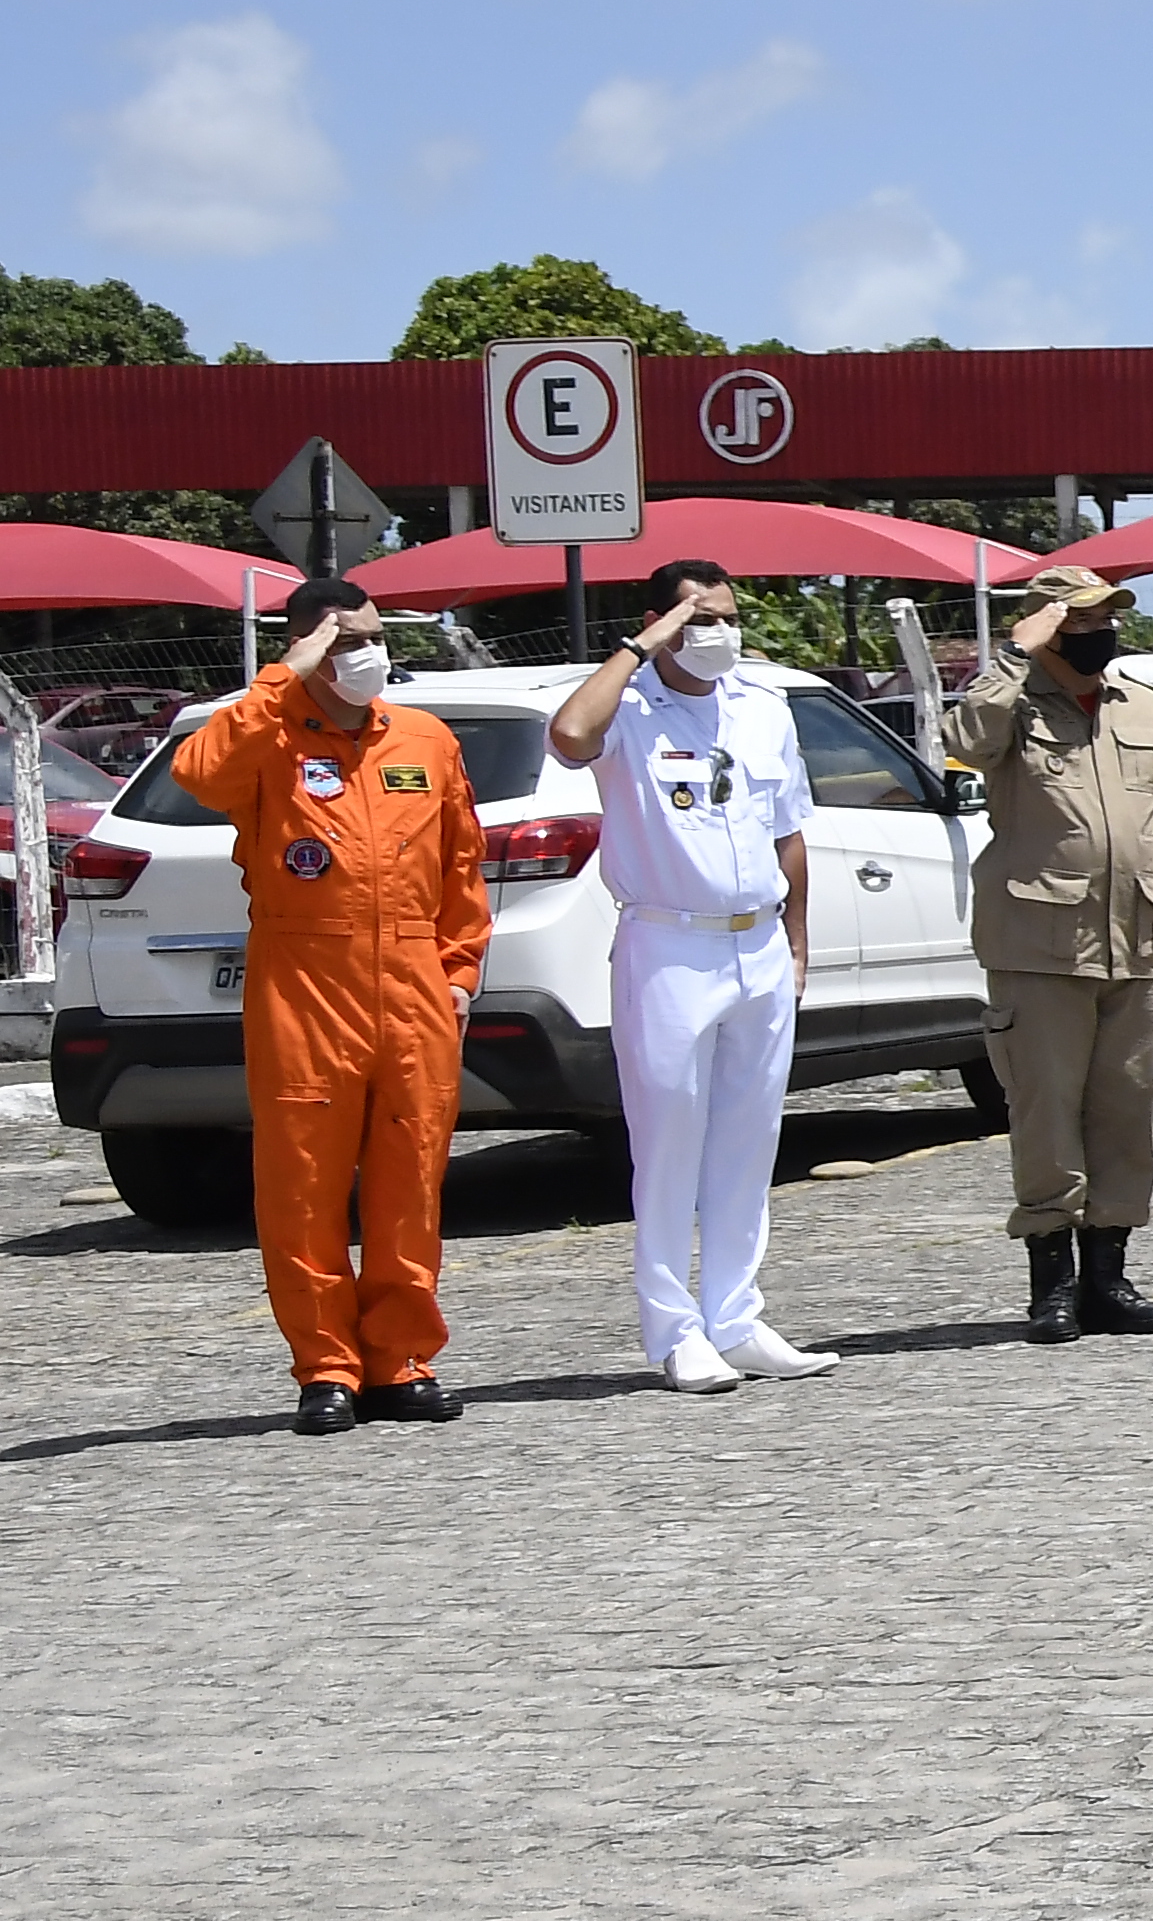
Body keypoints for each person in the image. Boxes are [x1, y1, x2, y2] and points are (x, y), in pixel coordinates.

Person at [170, 577, 488, 1431]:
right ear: (307, 647)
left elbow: (461, 866)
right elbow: (196, 773)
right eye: (347, 639)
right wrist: (285, 674)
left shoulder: (423, 738)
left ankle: (400, 1361)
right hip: (306, 984)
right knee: (303, 1181)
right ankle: (327, 1369)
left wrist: (458, 973)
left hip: (413, 984)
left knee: (410, 1176)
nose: (368, 652)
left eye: (374, 635)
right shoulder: (266, 738)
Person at [547, 559, 837, 1391]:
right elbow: (568, 738)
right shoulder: (629, 708)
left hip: (758, 946)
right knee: (669, 1144)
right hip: (668, 945)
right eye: (700, 619)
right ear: (660, 624)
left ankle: (737, 1318)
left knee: (749, 1144)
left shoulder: (762, 707)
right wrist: (642, 649)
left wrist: (798, 939)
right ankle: (675, 1331)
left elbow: (788, 830)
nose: (720, 633)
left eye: (728, 616)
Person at [951, 568, 1153, 1342]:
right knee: (1045, 1115)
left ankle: (1109, 1274)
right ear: (1046, 628)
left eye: (1107, 618)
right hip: (1040, 944)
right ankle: (1052, 1283)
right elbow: (963, 743)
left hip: (1139, 943)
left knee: (1125, 1114)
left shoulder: (1146, 707)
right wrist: (1011, 658)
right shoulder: (1011, 703)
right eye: (1083, 620)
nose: (1102, 632)